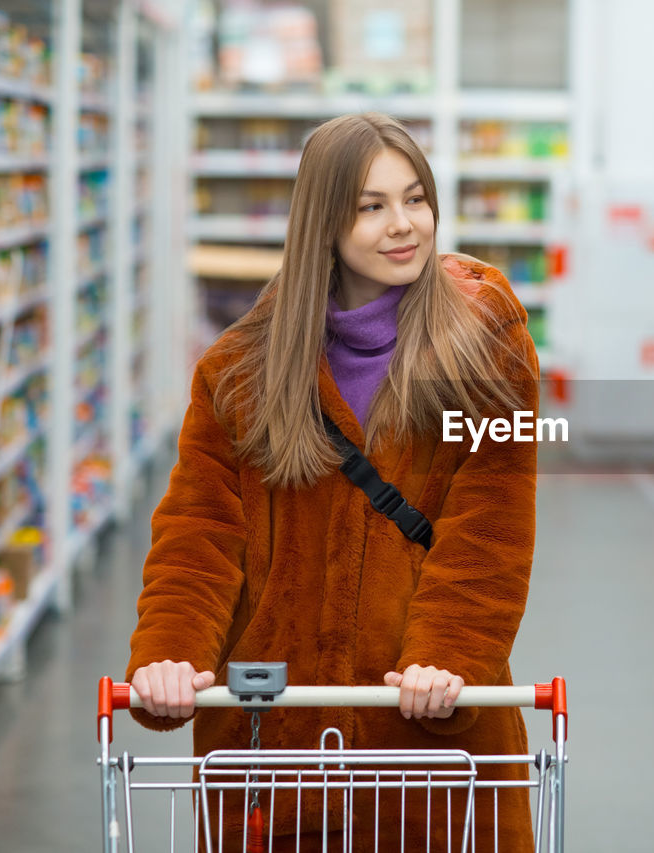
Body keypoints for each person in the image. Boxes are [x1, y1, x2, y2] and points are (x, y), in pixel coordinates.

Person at [125, 113, 540, 851]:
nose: (403, 225)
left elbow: (490, 530)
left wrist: (445, 658)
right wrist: (171, 649)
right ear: (323, 220)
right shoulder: (239, 372)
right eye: (371, 206)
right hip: (275, 742)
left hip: (429, 751)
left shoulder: (484, 346)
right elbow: (199, 533)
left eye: (416, 199)